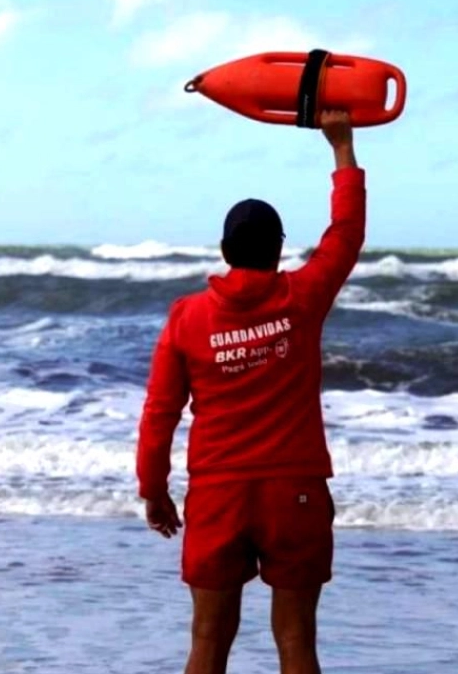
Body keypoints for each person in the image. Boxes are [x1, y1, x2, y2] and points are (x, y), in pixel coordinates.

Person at [135, 109, 363, 674]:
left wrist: (154, 489)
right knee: (297, 643)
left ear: (223, 248)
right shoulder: (302, 296)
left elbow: (160, 414)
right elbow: (346, 234)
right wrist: (341, 148)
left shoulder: (187, 318)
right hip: (296, 492)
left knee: (208, 642)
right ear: (279, 249)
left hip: (218, 495)